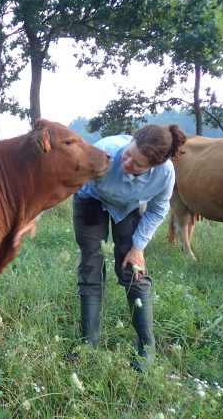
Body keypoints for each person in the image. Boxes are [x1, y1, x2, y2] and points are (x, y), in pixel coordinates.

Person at [72, 124, 186, 371]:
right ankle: (88, 341)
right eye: (128, 154)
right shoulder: (104, 151)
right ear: (131, 140)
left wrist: (138, 246)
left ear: (152, 167)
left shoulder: (164, 174)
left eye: (137, 164)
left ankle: (146, 345)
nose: (128, 164)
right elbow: (64, 181)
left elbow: (158, 209)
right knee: (91, 262)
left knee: (132, 267)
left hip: (129, 207)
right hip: (90, 199)